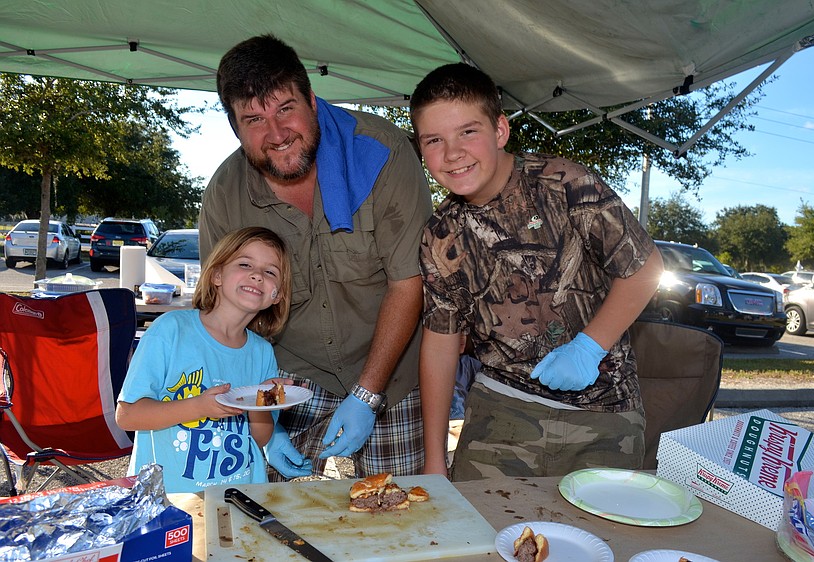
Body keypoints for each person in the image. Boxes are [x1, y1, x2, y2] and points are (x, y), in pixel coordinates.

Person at [409, 63, 664, 480]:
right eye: (434, 140)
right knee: (485, 540)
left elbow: (646, 267)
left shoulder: (565, 185)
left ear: (500, 130)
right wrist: (434, 458)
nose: (452, 153)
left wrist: (588, 347)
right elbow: (440, 343)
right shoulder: (440, 235)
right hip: (501, 413)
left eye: (468, 132)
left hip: (605, 416)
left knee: (598, 542)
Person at [199, 35, 433, 479]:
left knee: (402, 523)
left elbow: (409, 282)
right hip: (287, 380)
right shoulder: (226, 195)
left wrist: (367, 395)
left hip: (394, 371)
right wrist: (260, 417)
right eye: (253, 119)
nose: (276, 134)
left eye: (285, 108)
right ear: (234, 128)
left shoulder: (383, 153)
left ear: (310, 98)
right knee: (276, 526)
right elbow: (222, 316)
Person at [115, 226, 298, 492]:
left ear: (277, 295)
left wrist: (263, 403)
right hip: (171, 498)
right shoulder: (171, 330)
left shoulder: (262, 352)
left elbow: (258, 439)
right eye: (245, 264)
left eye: (270, 272)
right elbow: (128, 415)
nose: (257, 275)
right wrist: (199, 407)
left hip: (240, 496)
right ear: (216, 275)